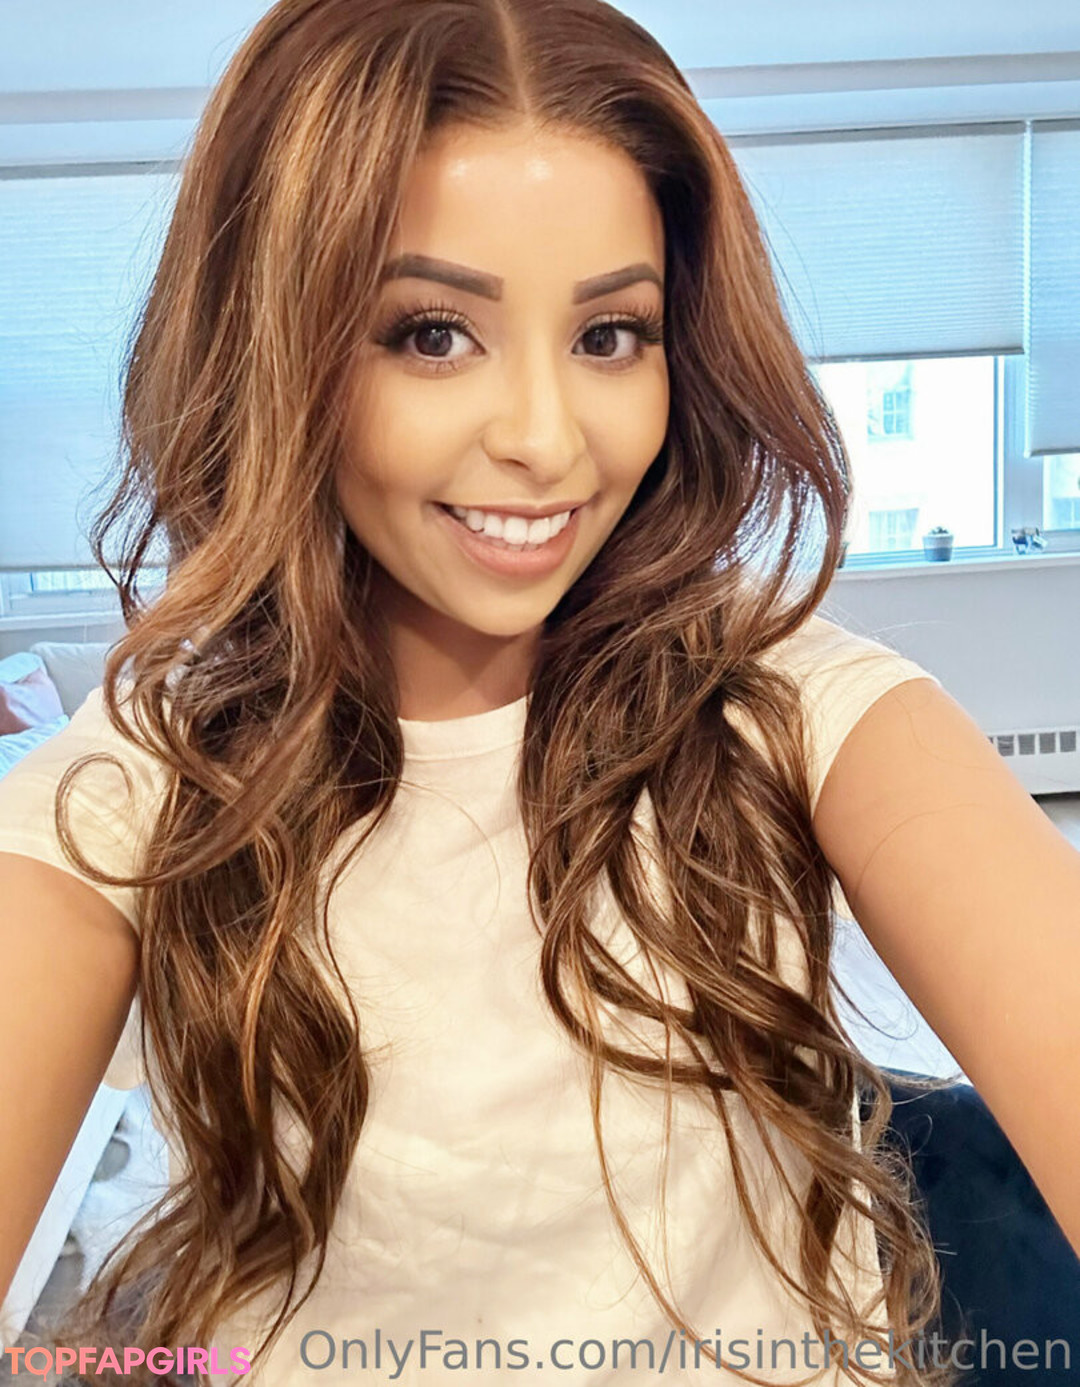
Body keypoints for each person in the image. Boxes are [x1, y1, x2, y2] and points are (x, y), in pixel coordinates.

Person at [1, 1, 1078, 1384]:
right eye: (431, 333)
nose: (545, 438)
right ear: (276, 351)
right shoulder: (145, 781)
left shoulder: (799, 711)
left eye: (611, 335)